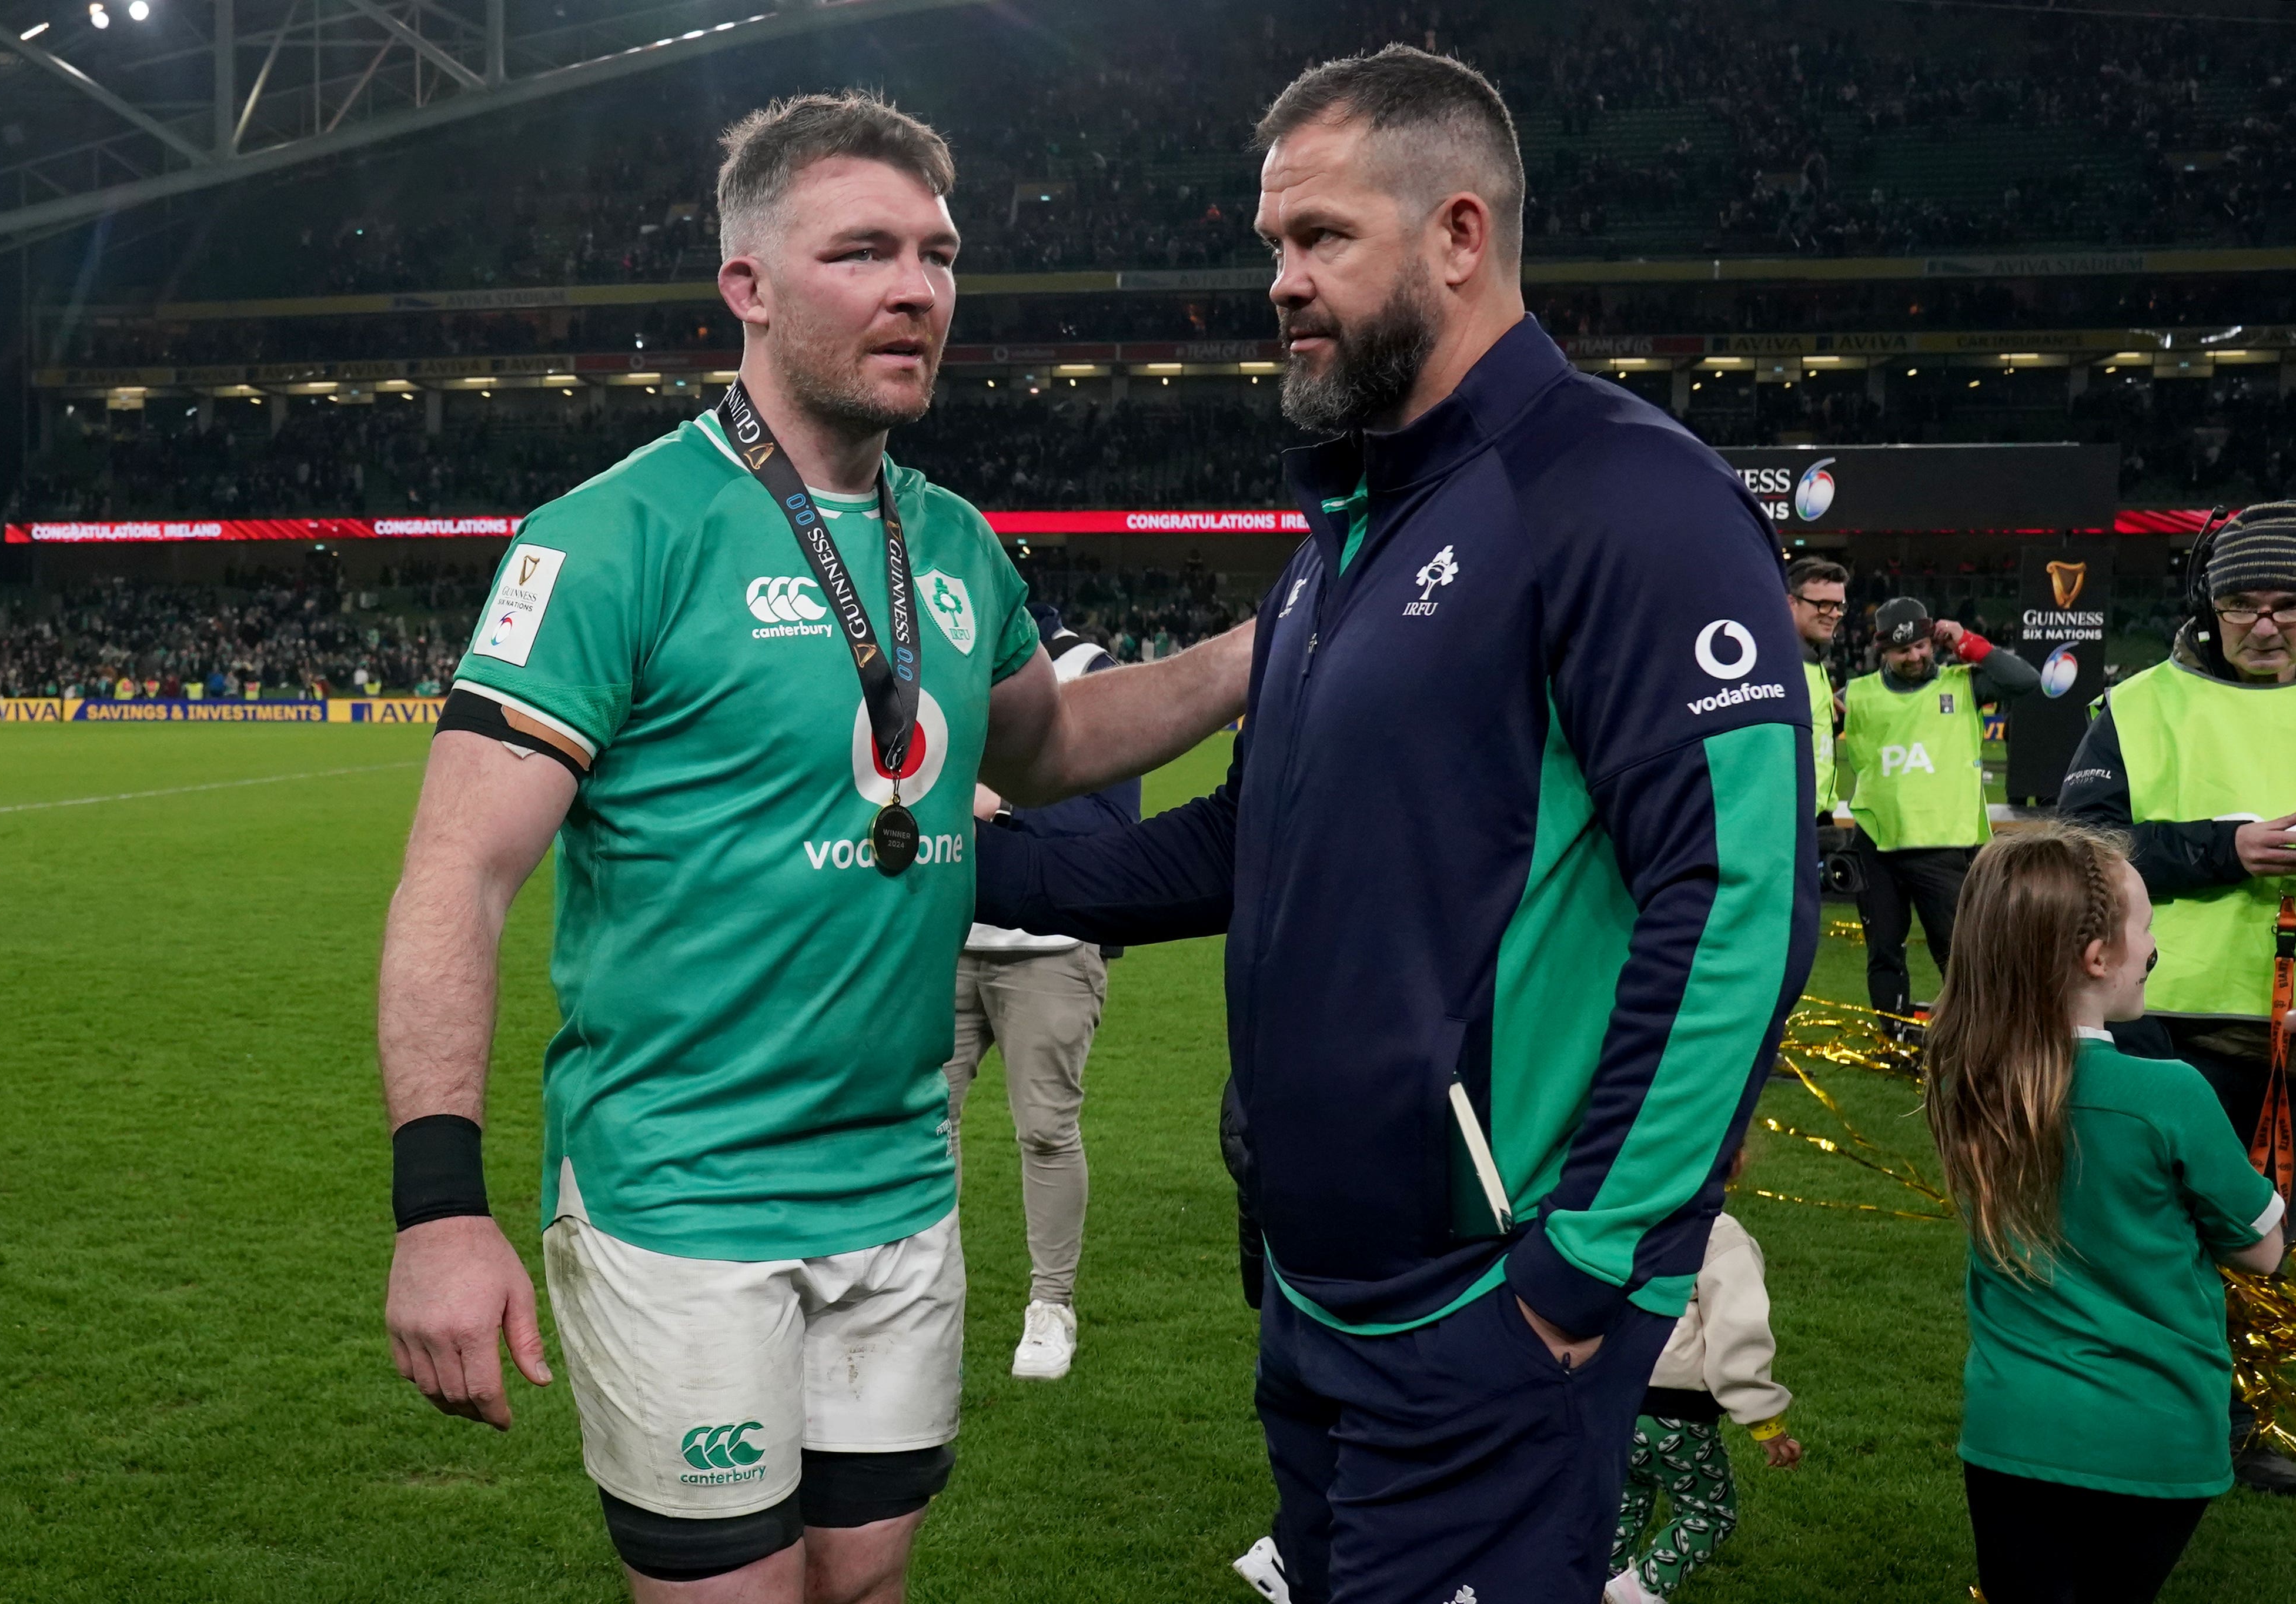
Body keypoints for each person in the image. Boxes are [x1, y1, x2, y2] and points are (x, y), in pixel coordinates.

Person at [375, 92, 1251, 1604]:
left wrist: (1271, 643)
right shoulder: (613, 535)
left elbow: (1049, 745)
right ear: (750, 287)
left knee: (859, 1583)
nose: (916, 287)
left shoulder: (958, 541)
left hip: (900, 1188)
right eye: (861, 251)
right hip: (681, 1202)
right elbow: (460, 870)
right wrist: (440, 1206)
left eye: (937, 252)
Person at [975, 45, 1816, 1604]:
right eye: (1271, 246)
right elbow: (1244, 848)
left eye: (1320, 240)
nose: (1281, 282)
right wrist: (939, 864)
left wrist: (1578, 1272)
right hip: (1319, 1289)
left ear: (1457, 236)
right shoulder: (1343, 540)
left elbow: (1741, 897)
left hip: (1489, 1308)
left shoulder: (1623, 498)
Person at [1923, 823, 2286, 1604]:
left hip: (2012, 1429)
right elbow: (2263, 1249)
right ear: (2099, 958)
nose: (2153, 946)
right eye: (2147, 927)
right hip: (2154, 1433)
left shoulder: (1969, 1086)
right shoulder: (2171, 1095)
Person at [2059, 502, 2296, 1494]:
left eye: (2288, 603)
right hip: (2179, 1021)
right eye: (2243, 602)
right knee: (2183, 1237)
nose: (2266, 623)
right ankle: (2226, 1421)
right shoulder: (2139, 703)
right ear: (2208, 603)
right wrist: (2221, 847)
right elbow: (2077, 849)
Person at [947, 607, 1139, 1382]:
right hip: (943, 941)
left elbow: (1113, 823)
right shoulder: (927, 664)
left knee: (1047, 1132)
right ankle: (925, 1296)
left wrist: (1005, 807)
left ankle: (1051, 1307)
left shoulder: (1086, 671)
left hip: (1050, 951)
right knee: (923, 1125)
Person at [1605, 1148, 1800, 1604]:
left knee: (1621, 1505)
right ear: (1733, 1167)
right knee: (1711, 1511)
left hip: (1611, 1404)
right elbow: (1737, 1335)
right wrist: (1764, 1421)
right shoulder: (1720, 1238)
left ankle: (1595, 1583)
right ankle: (1632, 1594)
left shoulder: (1622, 1223)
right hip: (1675, 1418)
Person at [1842, 596, 2038, 1023]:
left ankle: (1976, 1041)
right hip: (1877, 846)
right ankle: (1892, 1038)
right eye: (1902, 651)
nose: (1914, 657)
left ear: (1933, 641)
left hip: (1945, 849)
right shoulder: (1857, 695)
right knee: (1884, 953)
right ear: (1883, 651)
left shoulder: (1963, 682)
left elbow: (2026, 681)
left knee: (1960, 957)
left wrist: (1969, 642)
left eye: (1921, 646)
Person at [1786, 556, 1848, 821]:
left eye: (1838, 606)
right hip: (1789, 821)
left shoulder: (1814, 662)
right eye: (1823, 605)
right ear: (1791, 604)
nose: (1834, 614)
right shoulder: (1778, 666)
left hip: (1817, 817)